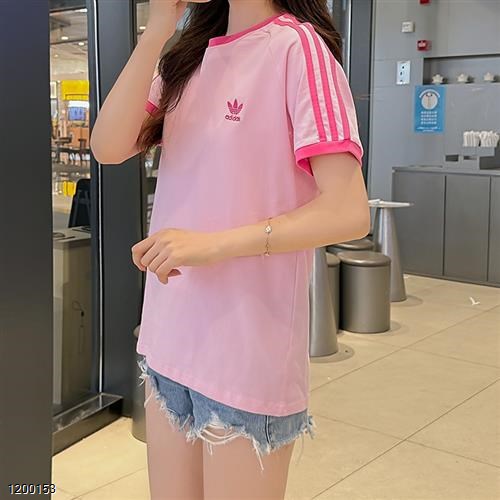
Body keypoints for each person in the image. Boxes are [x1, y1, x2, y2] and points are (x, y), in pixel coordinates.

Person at [90, 0, 370, 498]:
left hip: (246, 350)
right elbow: (108, 147)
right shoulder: (185, 61)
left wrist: (213, 245)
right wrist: (157, 28)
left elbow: (347, 210)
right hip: (168, 343)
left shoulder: (297, 48)